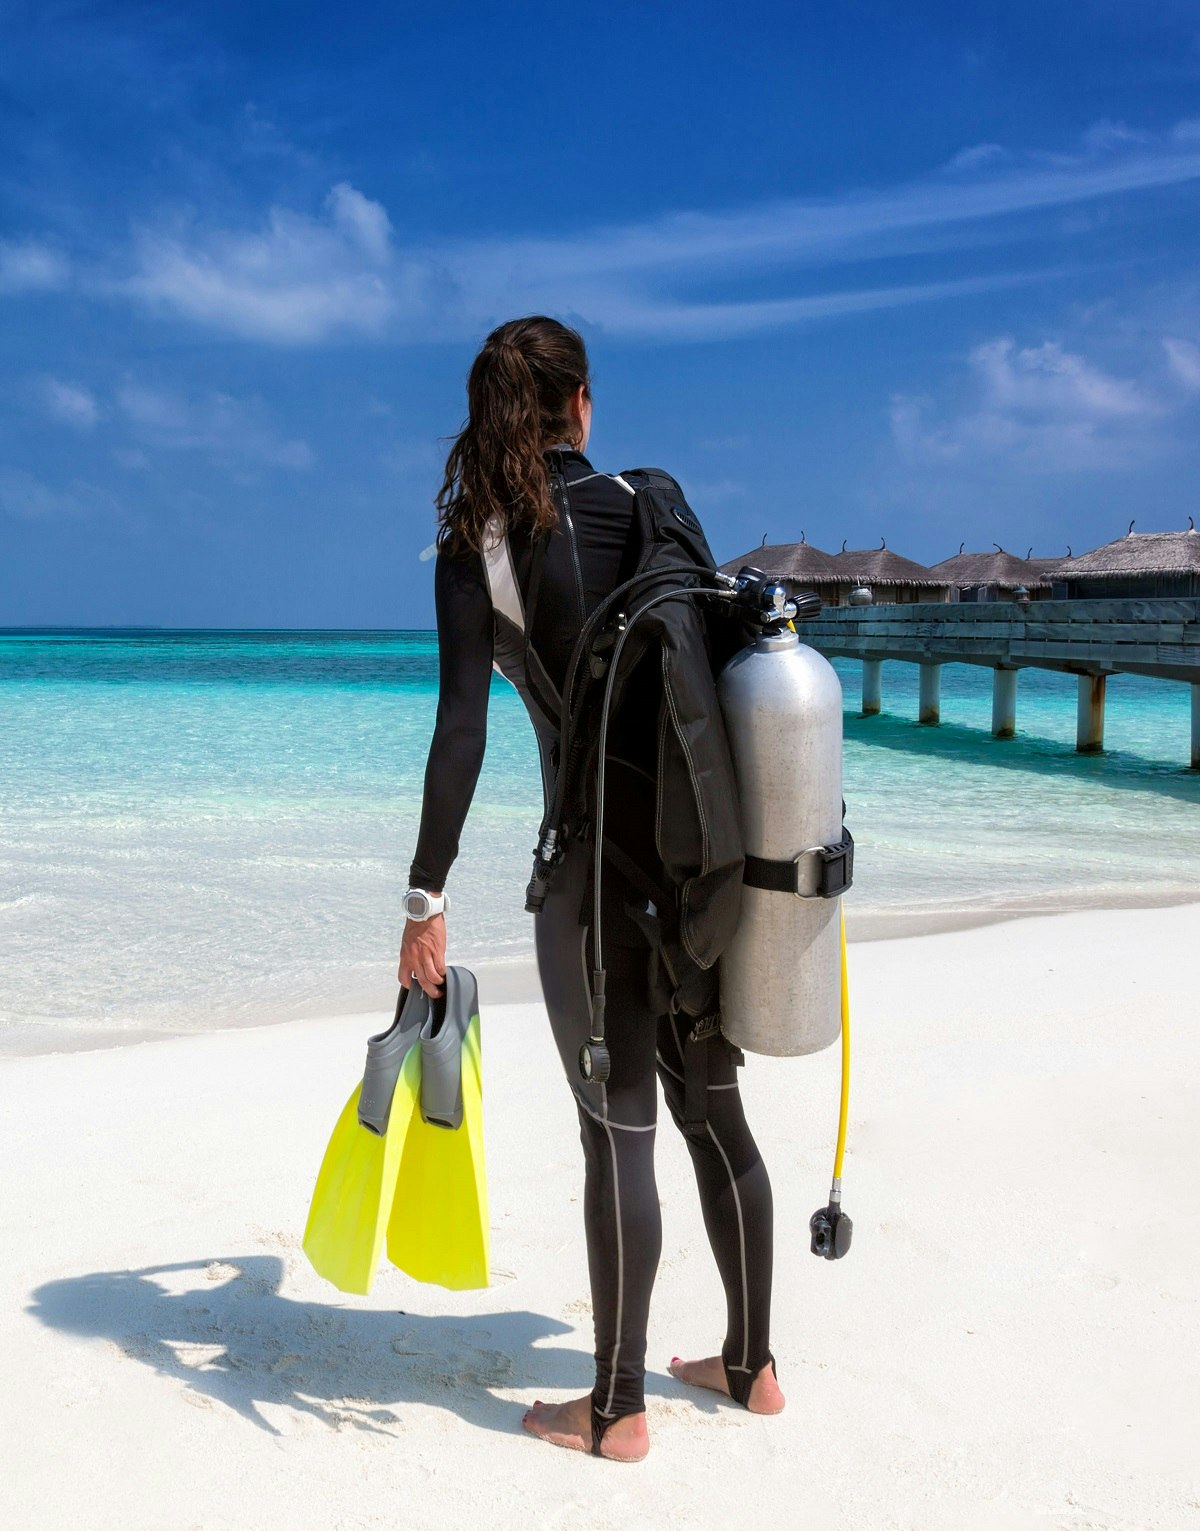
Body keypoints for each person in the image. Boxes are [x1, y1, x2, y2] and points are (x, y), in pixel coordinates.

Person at [396, 316, 780, 1463]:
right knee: (714, 1112)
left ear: (489, 421)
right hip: (705, 863)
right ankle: (750, 1364)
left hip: (592, 879)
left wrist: (424, 899)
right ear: (581, 407)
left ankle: (614, 1408)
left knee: (616, 1131)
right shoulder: (658, 503)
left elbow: (460, 729)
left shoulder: (483, 545)